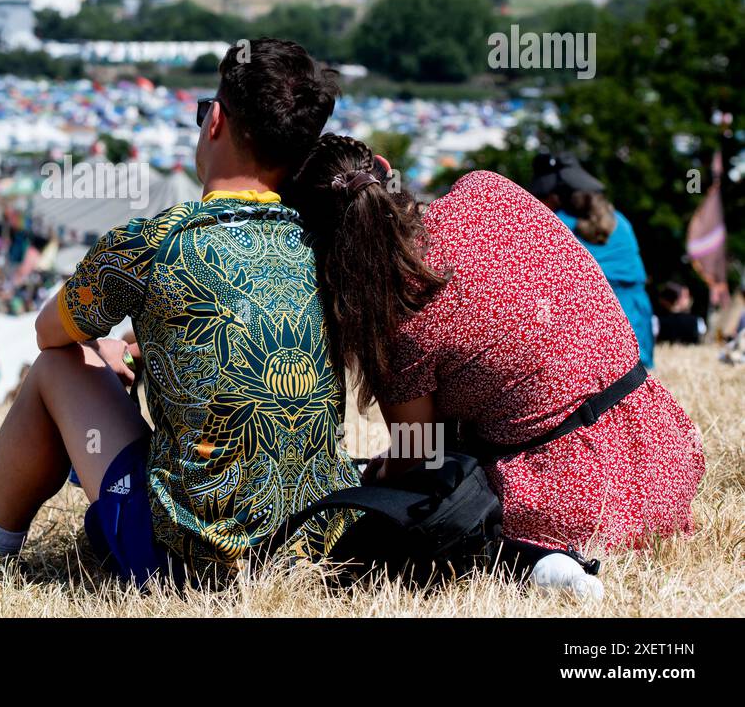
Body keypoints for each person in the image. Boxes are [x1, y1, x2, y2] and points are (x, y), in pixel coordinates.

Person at [0, 38, 356, 585]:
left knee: (58, 367)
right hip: (317, 547)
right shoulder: (329, 244)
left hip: (184, 563)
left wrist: (108, 350)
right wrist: (153, 344)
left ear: (214, 121)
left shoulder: (155, 242)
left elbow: (48, 333)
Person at [284, 135, 704, 559]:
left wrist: (380, 472)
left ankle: (533, 566)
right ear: (383, 165)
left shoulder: (397, 311)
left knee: (412, 534)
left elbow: (419, 457)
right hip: (664, 456)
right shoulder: (487, 190)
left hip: (579, 504)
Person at [530, 152, 655, 368]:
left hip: (592, 322)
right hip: (636, 318)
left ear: (554, 196)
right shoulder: (621, 222)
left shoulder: (555, 226)